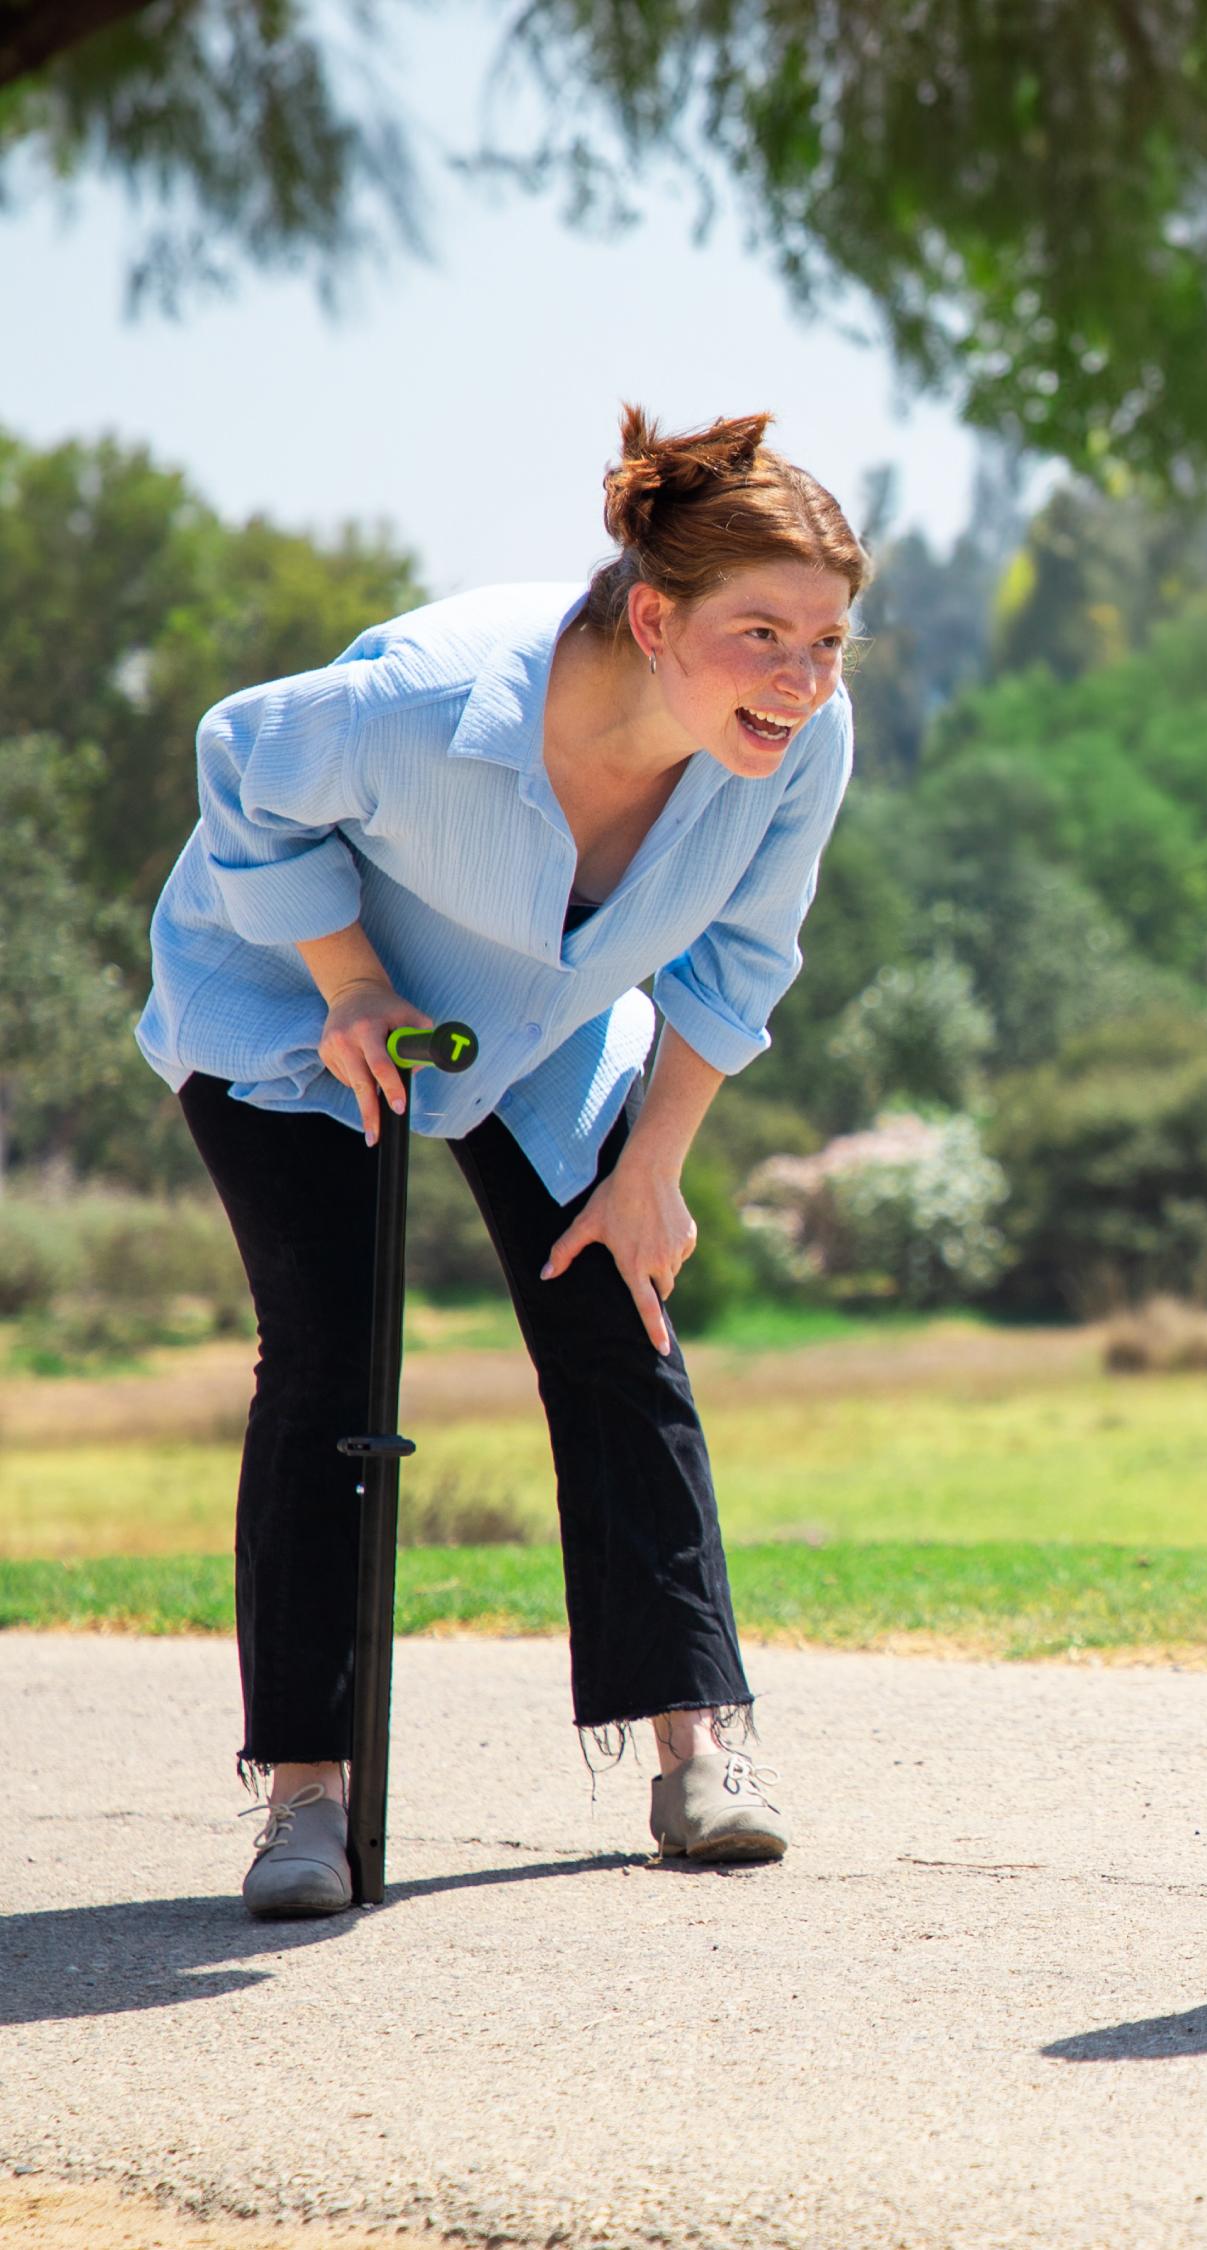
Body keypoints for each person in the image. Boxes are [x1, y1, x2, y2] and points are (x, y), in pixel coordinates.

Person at [135, 406, 867, 1917]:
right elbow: (240, 759)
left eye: (830, 638)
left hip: (538, 1028)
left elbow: (740, 957)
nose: (803, 678)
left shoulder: (795, 745)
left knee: (620, 1317)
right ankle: (308, 1800)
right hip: (297, 1012)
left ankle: (696, 1754)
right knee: (331, 1363)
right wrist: (344, 980)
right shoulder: (431, 700)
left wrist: (652, 1165)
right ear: (655, 616)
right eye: (764, 633)